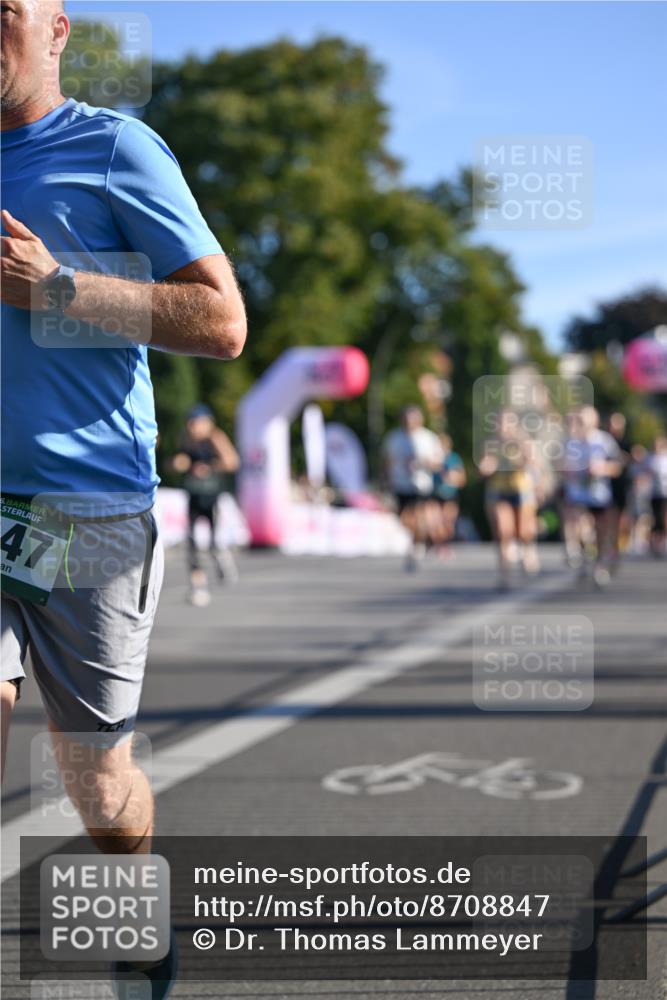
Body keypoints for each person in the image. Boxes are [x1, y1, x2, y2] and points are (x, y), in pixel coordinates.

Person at [0, 3, 246, 997]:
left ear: (55, 31)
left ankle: (131, 881)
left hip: (80, 515)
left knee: (101, 791)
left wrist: (57, 290)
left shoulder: (112, 149)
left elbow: (221, 321)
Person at [172, 404, 240, 605]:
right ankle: (198, 586)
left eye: (197, 423)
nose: (193, 427)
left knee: (213, 541)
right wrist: (178, 463)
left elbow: (232, 461)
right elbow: (178, 461)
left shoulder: (215, 438)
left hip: (212, 497)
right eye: (191, 423)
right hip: (193, 495)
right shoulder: (186, 440)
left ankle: (222, 558)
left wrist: (209, 467)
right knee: (192, 543)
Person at [479, 410, 541, 589]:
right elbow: (484, 467)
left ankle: (528, 549)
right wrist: (486, 468)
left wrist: (521, 450)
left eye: (508, 423)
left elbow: (533, 464)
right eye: (500, 423)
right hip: (498, 490)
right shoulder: (491, 443)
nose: (504, 427)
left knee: (523, 531)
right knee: (503, 531)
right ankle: (504, 574)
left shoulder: (523, 441)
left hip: (520, 488)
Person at [562, 406, 621, 586]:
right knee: (577, 522)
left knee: (600, 532)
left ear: (594, 421)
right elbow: (561, 466)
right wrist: (569, 471)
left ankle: (599, 565)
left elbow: (617, 467)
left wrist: (601, 468)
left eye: (585, 419)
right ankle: (577, 552)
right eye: (579, 419)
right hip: (577, 494)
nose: (581, 423)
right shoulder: (570, 442)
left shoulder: (604, 441)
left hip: (599, 494)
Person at [382, 406, 443, 571]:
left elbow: (438, 463)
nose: (409, 423)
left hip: (420, 484)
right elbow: (387, 461)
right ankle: (419, 541)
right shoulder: (394, 438)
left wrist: (425, 463)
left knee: (417, 516)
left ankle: (416, 547)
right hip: (400, 483)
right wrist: (386, 480)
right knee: (403, 520)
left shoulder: (428, 438)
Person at [430, 433, 466, 552]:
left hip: (450, 495)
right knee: (436, 522)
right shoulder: (432, 458)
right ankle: (439, 545)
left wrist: (453, 477)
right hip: (435, 494)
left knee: (448, 523)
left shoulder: (454, 458)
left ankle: (445, 544)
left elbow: (462, 480)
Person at [649, 436, 667, 557]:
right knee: (657, 519)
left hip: (665, 492)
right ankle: (655, 544)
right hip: (655, 493)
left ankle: (662, 543)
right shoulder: (650, 458)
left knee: (663, 519)